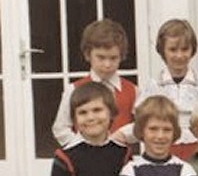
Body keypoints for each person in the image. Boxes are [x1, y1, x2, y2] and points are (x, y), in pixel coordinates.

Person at [116, 19, 198, 159]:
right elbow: (142, 121)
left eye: (185, 49)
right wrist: (122, 135)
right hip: (162, 149)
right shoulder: (154, 85)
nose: (179, 55)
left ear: (192, 50)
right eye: (173, 50)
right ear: (162, 51)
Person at [52, 18, 137, 147]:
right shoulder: (74, 89)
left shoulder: (133, 91)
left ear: (122, 56)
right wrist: (81, 147)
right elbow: (60, 128)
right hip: (84, 161)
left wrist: (123, 135)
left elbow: (143, 125)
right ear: (88, 54)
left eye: (113, 58)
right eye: (101, 57)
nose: (107, 64)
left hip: (121, 159)